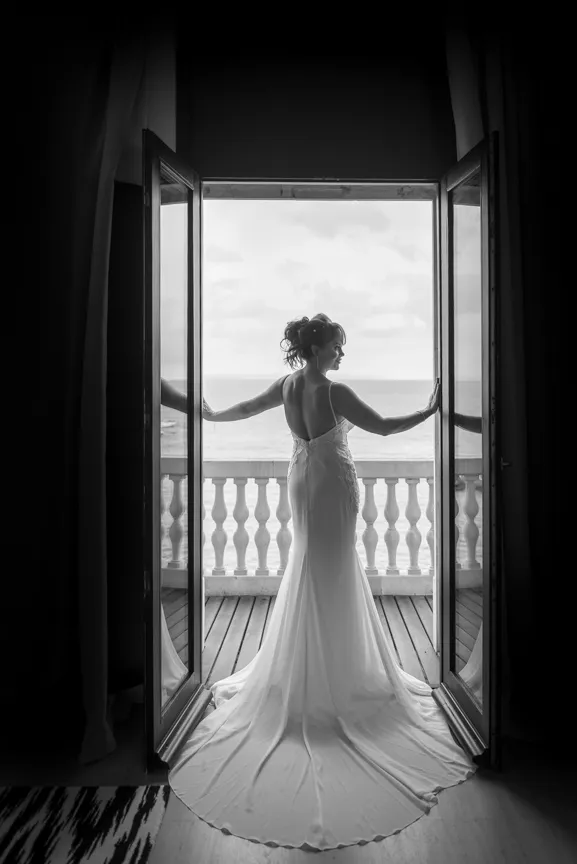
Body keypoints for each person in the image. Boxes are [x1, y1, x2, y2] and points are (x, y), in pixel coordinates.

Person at [167, 313, 477, 851]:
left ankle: (309, 671)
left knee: (310, 566)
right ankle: (337, 674)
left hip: (302, 481)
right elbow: (381, 427)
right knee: (332, 571)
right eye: (338, 345)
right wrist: (429, 410)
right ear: (318, 348)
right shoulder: (335, 392)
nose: (341, 354)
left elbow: (243, 410)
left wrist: (209, 414)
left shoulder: (286, 386)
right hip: (331, 484)